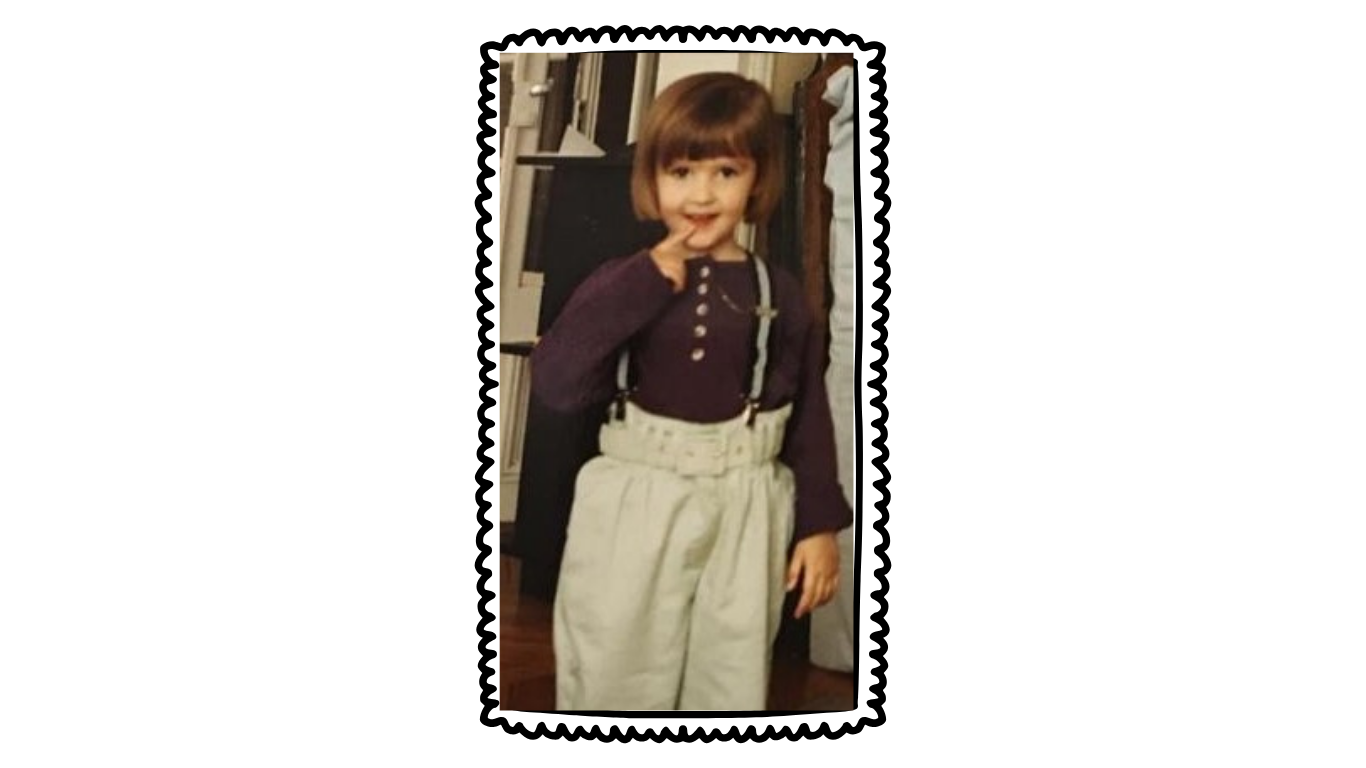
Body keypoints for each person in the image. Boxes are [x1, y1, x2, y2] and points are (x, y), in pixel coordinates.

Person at [530, 71, 854, 711]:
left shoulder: (780, 294)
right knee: (614, 665)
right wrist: (645, 282)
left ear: (756, 180)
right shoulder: (621, 281)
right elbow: (558, 380)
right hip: (638, 499)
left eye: (725, 173)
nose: (702, 193)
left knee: (727, 674)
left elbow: (808, 419)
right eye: (681, 173)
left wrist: (818, 526)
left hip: (746, 503)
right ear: (651, 181)